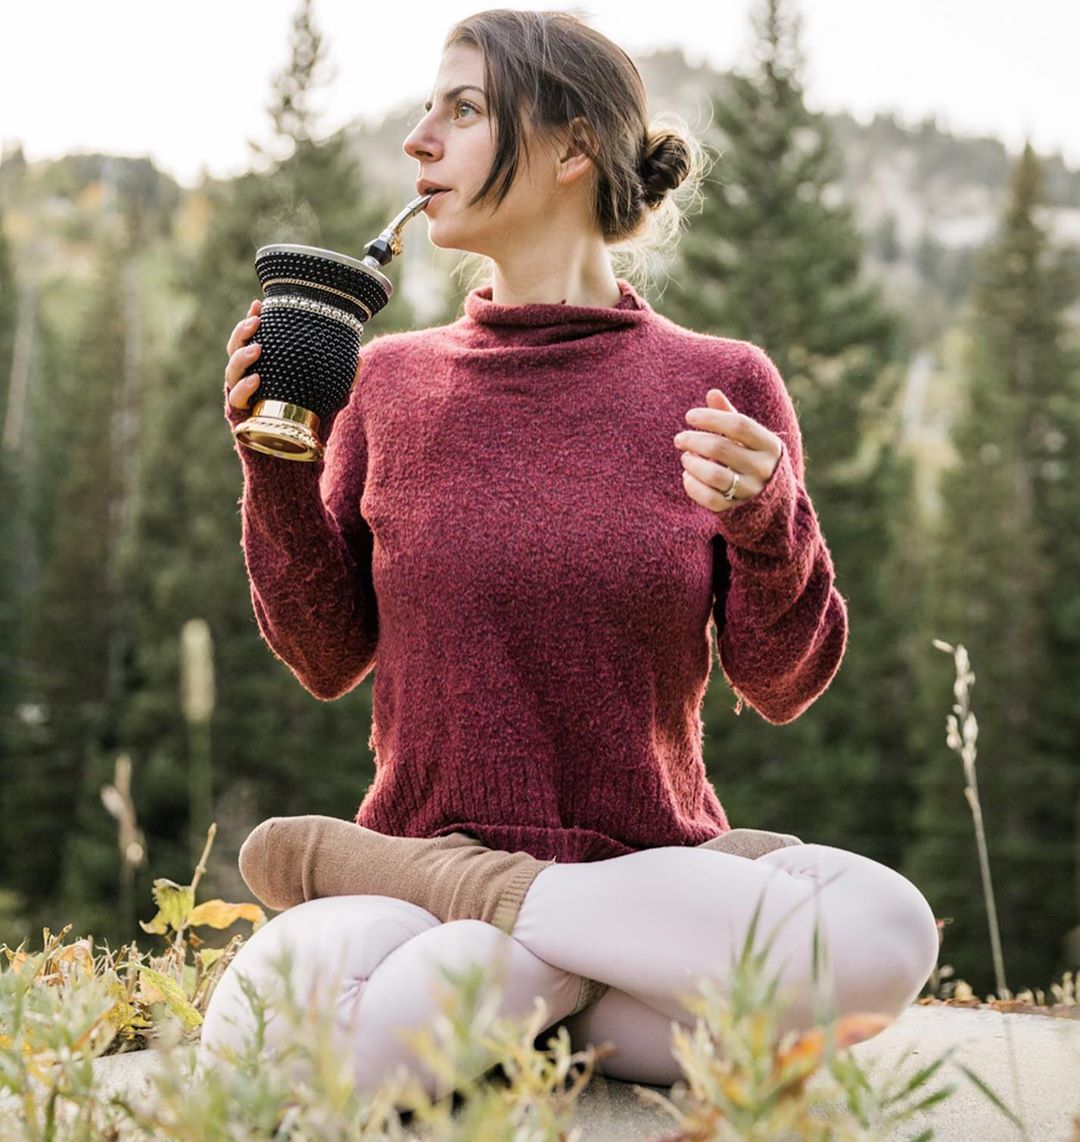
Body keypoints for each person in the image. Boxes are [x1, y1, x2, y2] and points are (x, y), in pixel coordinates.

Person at [200, 8, 939, 1101]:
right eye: (426, 110)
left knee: (888, 928)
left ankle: (525, 960)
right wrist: (275, 460)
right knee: (269, 1039)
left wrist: (769, 515)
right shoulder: (389, 382)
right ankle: (584, 989)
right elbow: (324, 655)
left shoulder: (721, 380)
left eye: (462, 109)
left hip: (656, 877)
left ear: (571, 145)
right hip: (429, 884)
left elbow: (780, 683)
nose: (417, 139)